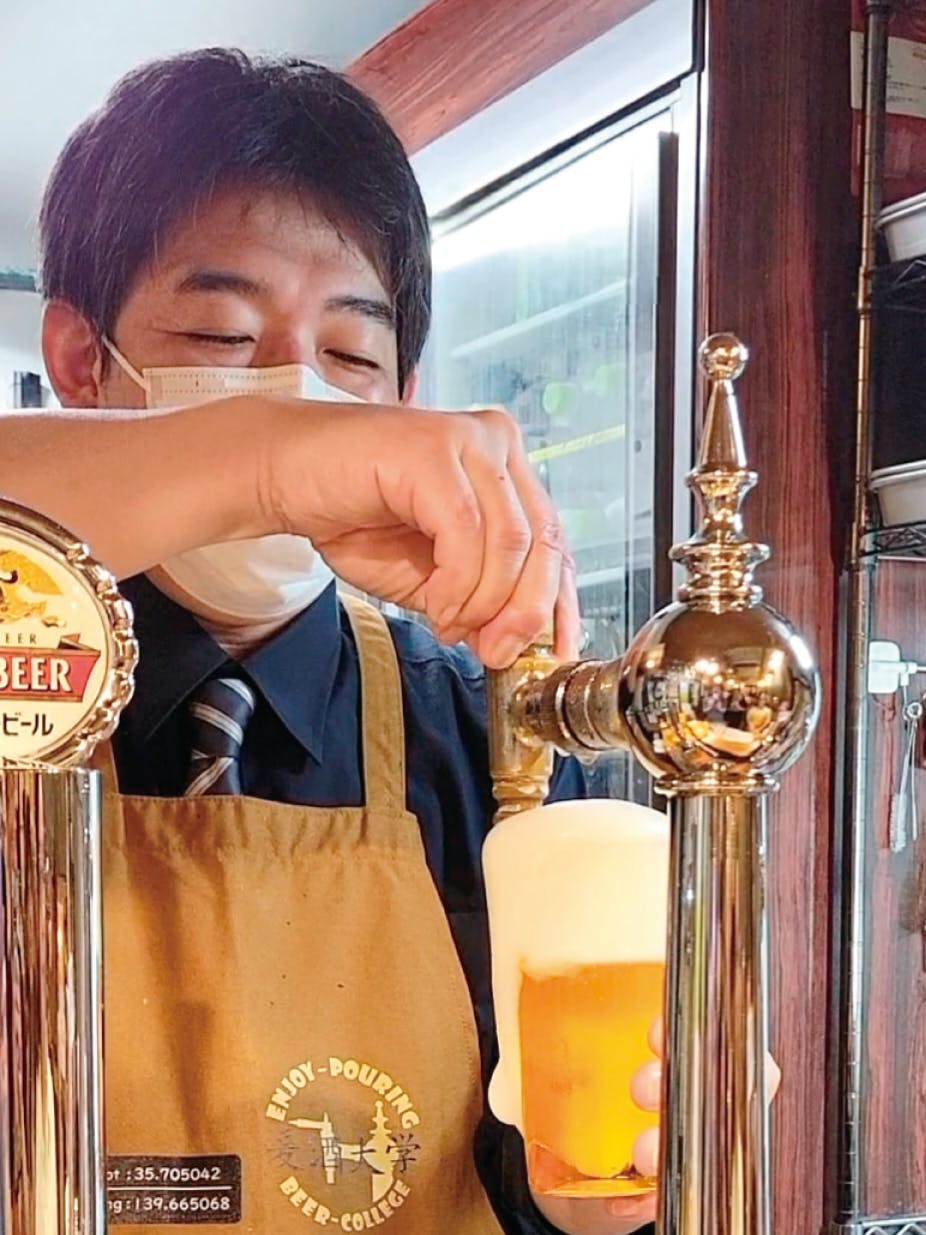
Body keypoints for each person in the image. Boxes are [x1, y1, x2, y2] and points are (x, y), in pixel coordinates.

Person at [0, 49, 776, 1235]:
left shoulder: (475, 733)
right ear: (78, 363)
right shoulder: (28, 673)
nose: (298, 390)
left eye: (350, 358)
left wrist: (609, 1180)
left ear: (405, 390)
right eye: (220, 333)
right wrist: (265, 458)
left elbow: (544, 1172)